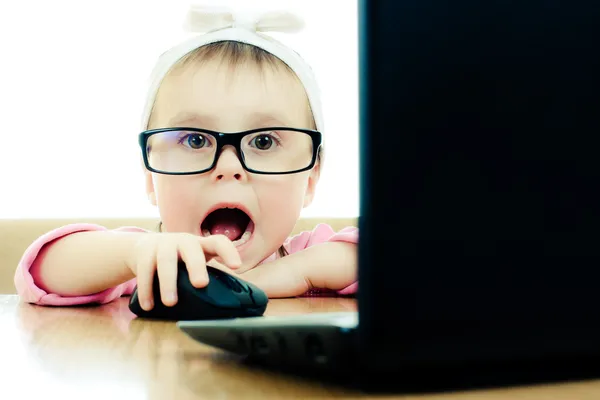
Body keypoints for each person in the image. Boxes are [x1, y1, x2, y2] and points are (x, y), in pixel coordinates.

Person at [14, 6, 358, 310]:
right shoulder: (152, 261)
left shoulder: (309, 255)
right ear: (151, 177)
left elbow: (394, 263)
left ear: (311, 179)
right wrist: (131, 255)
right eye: (195, 140)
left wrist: (298, 272)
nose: (228, 167)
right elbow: (42, 270)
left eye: (264, 142)